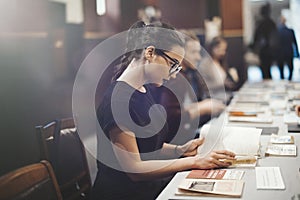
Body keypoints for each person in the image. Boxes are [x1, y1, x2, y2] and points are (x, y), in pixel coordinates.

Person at [90, 21, 236, 200]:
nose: (174, 73)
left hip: (149, 188)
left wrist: (179, 150)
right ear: (150, 53)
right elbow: (134, 169)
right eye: (173, 64)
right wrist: (193, 161)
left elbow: (147, 147)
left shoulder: (146, 89)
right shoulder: (118, 100)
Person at [158, 30, 226, 144]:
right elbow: (171, 117)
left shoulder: (190, 73)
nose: (199, 57)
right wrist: (202, 108)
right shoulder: (175, 78)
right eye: (194, 52)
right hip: (181, 140)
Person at [199, 36, 239, 103]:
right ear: (213, 48)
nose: (223, 52)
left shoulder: (220, 62)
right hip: (214, 98)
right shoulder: (205, 64)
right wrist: (222, 84)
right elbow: (204, 87)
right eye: (221, 49)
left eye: (224, 50)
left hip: (224, 95)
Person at [251, 2, 278, 79]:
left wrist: (254, 48)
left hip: (264, 50)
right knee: (267, 70)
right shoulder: (271, 23)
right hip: (269, 50)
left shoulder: (260, 23)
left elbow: (256, 38)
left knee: (264, 70)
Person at [277, 15, 299, 80]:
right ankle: (289, 79)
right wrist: (297, 53)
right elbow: (295, 43)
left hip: (280, 53)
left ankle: (283, 79)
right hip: (289, 52)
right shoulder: (290, 31)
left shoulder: (278, 31)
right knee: (290, 68)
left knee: (281, 70)